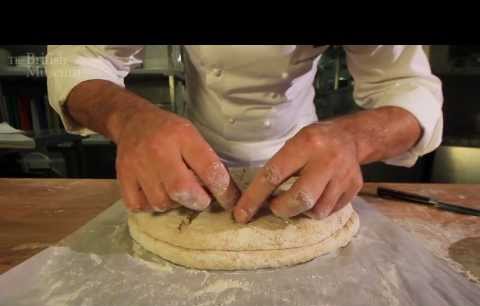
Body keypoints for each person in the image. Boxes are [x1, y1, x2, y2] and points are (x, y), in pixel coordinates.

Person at [45, 45, 443, 224]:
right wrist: (129, 120)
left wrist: (352, 140)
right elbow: (80, 57)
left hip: (307, 167)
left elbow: (408, 84)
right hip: (189, 162)